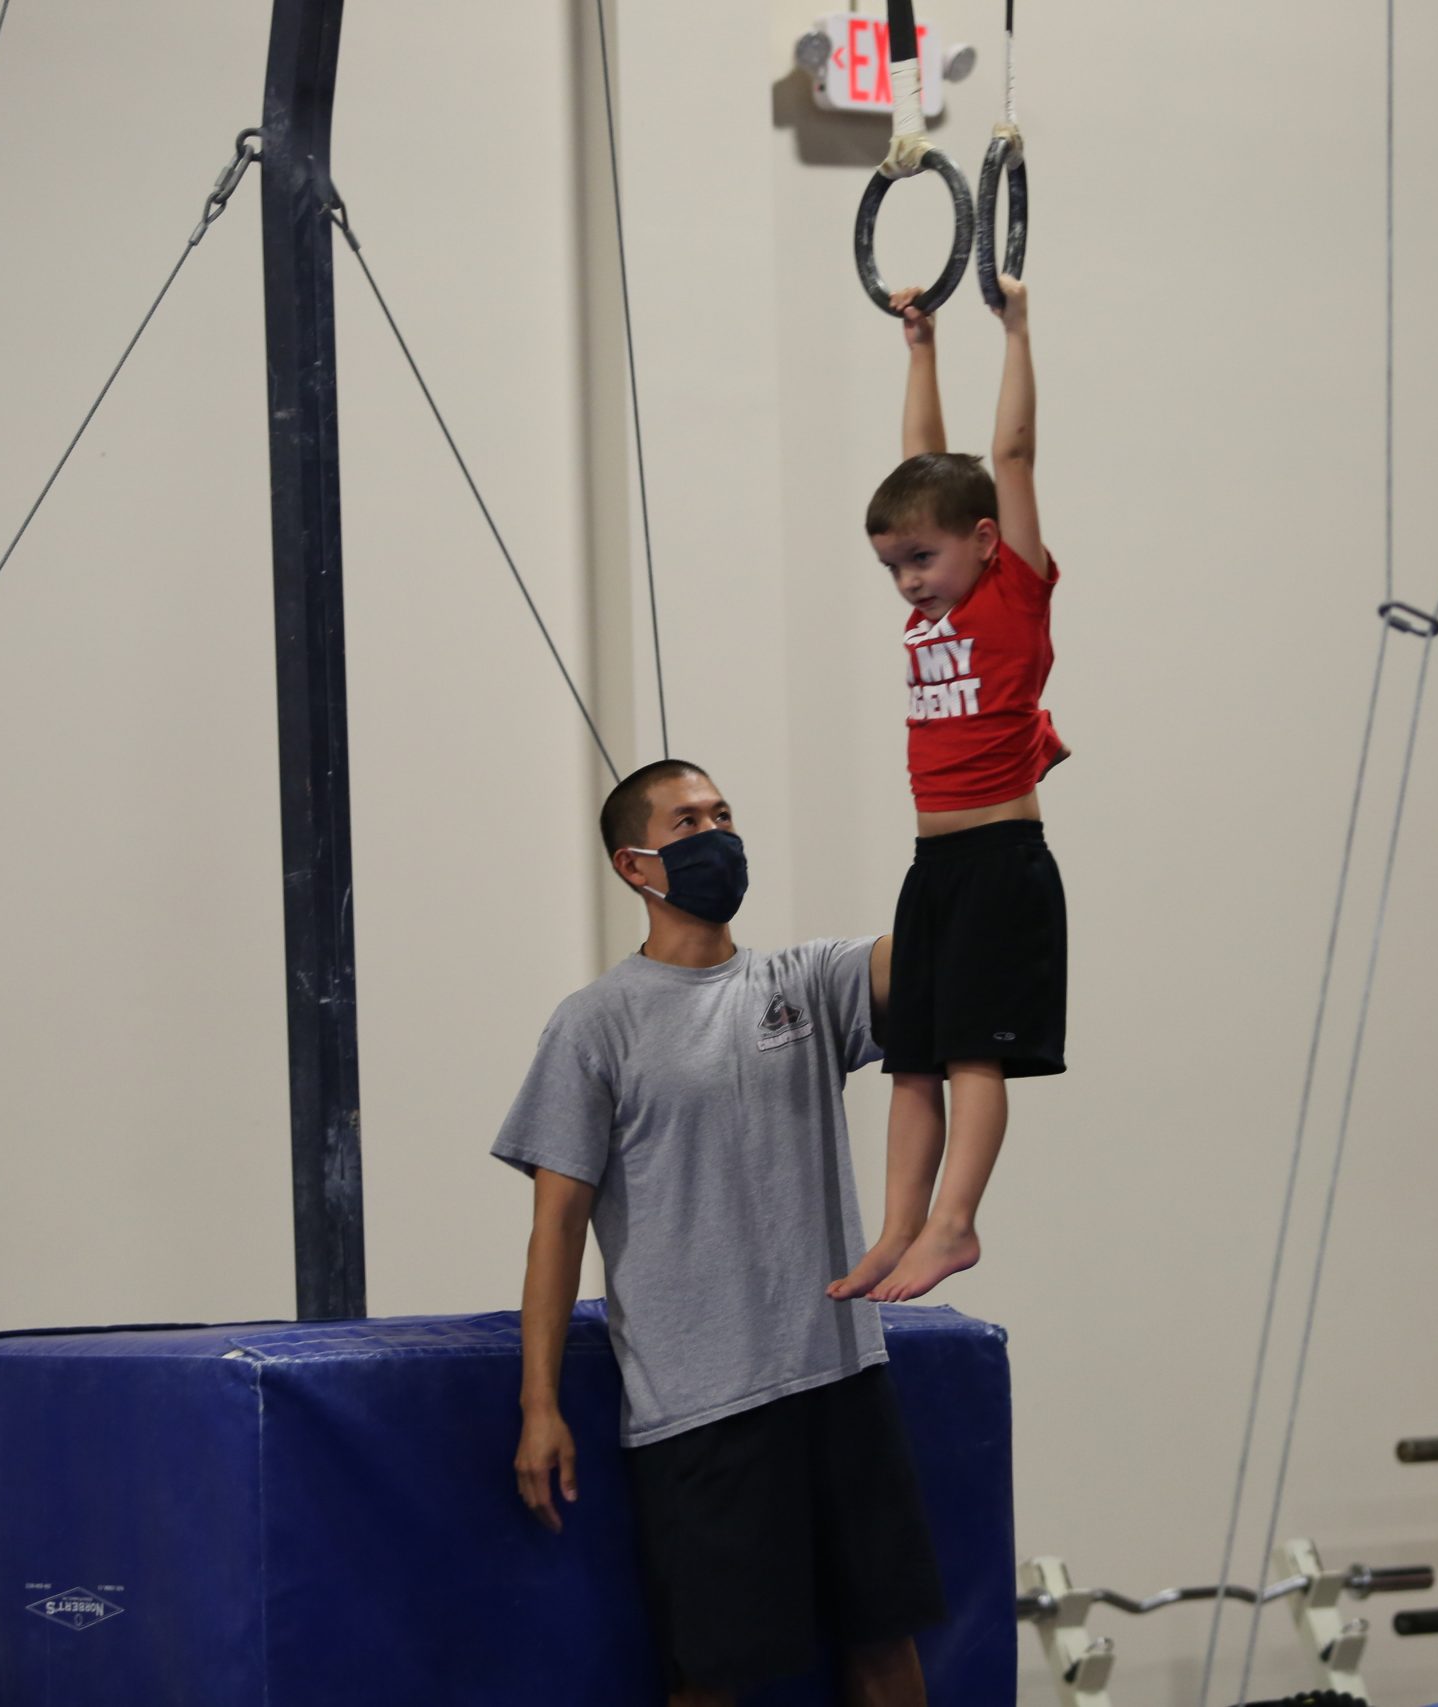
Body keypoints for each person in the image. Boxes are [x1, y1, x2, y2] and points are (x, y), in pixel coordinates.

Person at [496, 759, 944, 1707]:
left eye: (724, 814)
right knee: (716, 1675)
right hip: (702, 1404)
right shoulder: (593, 1027)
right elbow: (556, 1230)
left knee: (884, 1642)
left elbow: (937, 948)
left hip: (839, 1372)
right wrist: (539, 1403)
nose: (718, 834)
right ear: (636, 863)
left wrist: (981, 823)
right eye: (689, 822)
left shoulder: (806, 981)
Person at [830, 273, 1067, 1306]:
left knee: (974, 1056)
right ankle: (897, 1229)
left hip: (999, 863)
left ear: (982, 541)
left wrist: (1013, 331)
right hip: (932, 864)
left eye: (921, 559)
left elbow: (1005, 455)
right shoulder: (931, 608)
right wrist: (918, 349)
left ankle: (954, 1224)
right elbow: (917, 468)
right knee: (912, 1059)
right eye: (891, 568)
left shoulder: (1013, 586)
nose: (908, 583)